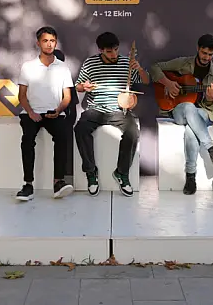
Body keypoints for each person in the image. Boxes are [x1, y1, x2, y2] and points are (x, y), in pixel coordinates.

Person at [74, 32, 150, 197]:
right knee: (80, 129)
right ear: (101, 50)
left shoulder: (126, 62)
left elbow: (145, 81)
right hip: (96, 109)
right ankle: (91, 172)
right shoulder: (90, 63)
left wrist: (140, 69)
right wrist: (83, 87)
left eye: (116, 50)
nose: (114, 54)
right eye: (109, 51)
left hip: (120, 109)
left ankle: (122, 173)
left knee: (132, 132)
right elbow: (78, 86)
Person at [150, 34, 213, 195]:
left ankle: (190, 177)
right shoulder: (183, 63)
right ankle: (211, 148)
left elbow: (211, 106)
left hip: (204, 113)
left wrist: (210, 98)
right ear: (198, 49)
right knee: (189, 106)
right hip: (178, 109)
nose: (206, 57)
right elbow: (154, 67)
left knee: (191, 131)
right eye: (204, 53)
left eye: (210, 55)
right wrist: (169, 84)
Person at [14, 27, 75, 201]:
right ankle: (28, 185)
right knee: (27, 140)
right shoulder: (28, 67)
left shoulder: (63, 67)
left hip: (54, 114)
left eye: (52, 41)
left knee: (63, 137)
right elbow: (22, 96)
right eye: (45, 41)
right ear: (38, 43)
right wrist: (31, 113)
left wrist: (58, 110)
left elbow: (67, 97)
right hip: (31, 114)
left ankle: (58, 182)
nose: (49, 44)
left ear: (56, 42)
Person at [53, 49, 78, 178]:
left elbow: (72, 107)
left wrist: (66, 124)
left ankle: (62, 176)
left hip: (62, 122)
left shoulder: (66, 79)